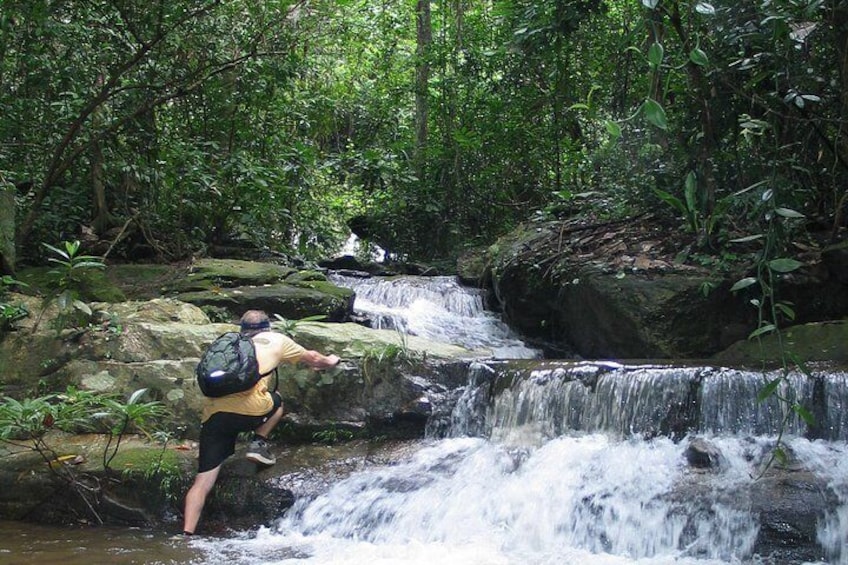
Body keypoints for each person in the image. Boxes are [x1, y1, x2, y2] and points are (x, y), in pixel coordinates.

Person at [182, 309, 340, 536]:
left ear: (242, 329)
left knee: (202, 483)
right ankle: (258, 443)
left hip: (215, 416)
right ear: (267, 327)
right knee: (278, 402)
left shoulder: (229, 346)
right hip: (252, 411)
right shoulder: (276, 339)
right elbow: (314, 359)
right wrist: (331, 360)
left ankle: (186, 535)